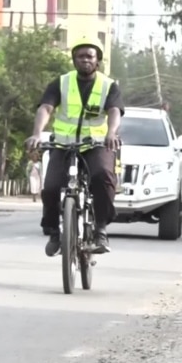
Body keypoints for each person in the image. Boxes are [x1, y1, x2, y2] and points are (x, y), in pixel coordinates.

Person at [25, 36, 124, 257]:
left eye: (90, 56)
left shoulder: (109, 86)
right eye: (80, 56)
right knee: (50, 188)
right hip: (64, 145)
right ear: (74, 60)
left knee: (103, 177)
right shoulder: (61, 82)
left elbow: (114, 111)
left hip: (96, 144)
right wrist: (37, 134)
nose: (85, 60)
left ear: (97, 61)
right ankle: (53, 232)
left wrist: (111, 132)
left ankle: (100, 230)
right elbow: (46, 108)